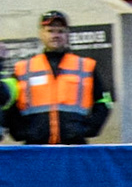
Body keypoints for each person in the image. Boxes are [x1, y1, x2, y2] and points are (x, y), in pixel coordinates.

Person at [5, 11, 113, 145]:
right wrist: (20, 131)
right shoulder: (23, 69)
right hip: (35, 147)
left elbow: (105, 100)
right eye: (50, 31)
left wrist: (89, 128)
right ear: (41, 34)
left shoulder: (85, 66)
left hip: (74, 146)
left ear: (67, 34)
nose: (55, 36)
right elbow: (8, 103)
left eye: (60, 31)